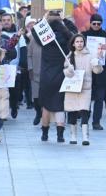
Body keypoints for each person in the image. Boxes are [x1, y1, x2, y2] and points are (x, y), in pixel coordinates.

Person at [35, 13, 71, 143]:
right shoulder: (67, 38)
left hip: (46, 77)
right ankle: (60, 135)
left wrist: (43, 19)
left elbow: (35, 31)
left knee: (46, 106)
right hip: (61, 76)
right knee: (59, 106)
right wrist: (64, 20)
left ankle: (44, 134)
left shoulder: (45, 39)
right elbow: (75, 34)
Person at [63, 34, 104, 145]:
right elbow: (65, 73)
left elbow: (97, 71)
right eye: (77, 42)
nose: (79, 44)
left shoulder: (90, 55)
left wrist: (97, 64)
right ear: (73, 43)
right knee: (72, 111)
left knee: (85, 111)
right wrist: (69, 70)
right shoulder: (69, 56)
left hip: (85, 88)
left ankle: (85, 136)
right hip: (72, 88)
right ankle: (73, 135)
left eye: (81, 41)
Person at [82, 14, 106, 131]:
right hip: (87, 70)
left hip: (101, 71)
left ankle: (96, 122)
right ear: (90, 23)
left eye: (98, 24)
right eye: (94, 23)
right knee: (86, 98)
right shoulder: (84, 35)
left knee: (100, 99)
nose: (96, 26)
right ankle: (85, 121)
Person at [27, 18, 43, 126]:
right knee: (36, 96)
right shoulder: (33, 39)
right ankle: (38, 113)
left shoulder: (53, 39)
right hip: (35, 72)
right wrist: (30, 68)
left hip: (48, 72)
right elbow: (29, 55)